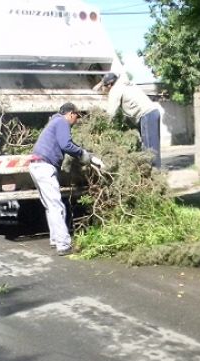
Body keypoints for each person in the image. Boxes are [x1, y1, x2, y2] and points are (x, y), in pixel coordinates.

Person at [28, 103, 103, 256]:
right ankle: (63, 245)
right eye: (77, 116)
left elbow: (66, 144)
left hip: (36, 166)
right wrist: (83, 155)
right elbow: (66, 145)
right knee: (56, 206)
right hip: (44, 167)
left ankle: (55, 240)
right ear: (70, 114)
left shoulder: (53, 122)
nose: (76, 121)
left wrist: (85, 153)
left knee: (51, 206)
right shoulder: (62, 122)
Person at [96, 72, 162, 168]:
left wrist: (102, 127)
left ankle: (154, 174)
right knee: (153, 146)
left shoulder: (115, 90)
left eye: (105, 87)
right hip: (152, 113)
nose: (104, 89)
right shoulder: (125, 84)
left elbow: (110, 113)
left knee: (149, 150)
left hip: (146, 115)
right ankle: (155, 173)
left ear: (110, 85)